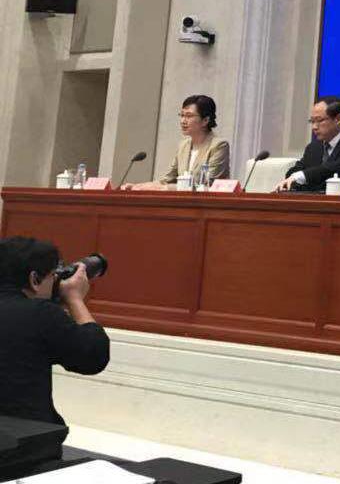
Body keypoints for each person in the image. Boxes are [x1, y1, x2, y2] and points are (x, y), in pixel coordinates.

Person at [0, 236, 110, 426]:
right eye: (53, 276)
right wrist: (74, 299)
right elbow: (93, 357)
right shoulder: (40, 314)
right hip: (23, 436)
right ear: (34, 279)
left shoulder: (39, 314)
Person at [123, 94, 229, 190]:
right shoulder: (184, 146)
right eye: (182, 115)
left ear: (205, 120)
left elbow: (206, 185)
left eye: (189, 116)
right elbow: (168, 179)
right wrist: (138, 186)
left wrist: (165, 188)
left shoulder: (218, 146)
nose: (183, 121)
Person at [277, 96, 340, 193]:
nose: (314, 127)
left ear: (338, 119)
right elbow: (294, 173)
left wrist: (302, 176)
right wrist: (295, 177)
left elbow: (334, 169)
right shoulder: (313, 147)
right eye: (312, 121)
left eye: (319, 120)